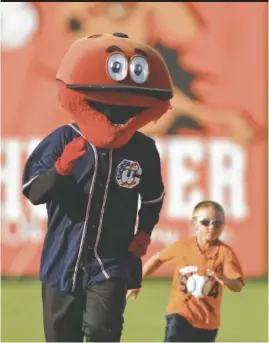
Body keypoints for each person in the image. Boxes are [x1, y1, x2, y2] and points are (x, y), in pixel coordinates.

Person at [22, 32, 173, 342]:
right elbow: (34, 191)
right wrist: (59, 169)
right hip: (63, 260)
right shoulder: (64, 138)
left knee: (103, 329)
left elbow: (153, 197)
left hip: (111, 260)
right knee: (60, 336)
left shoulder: (142, 149)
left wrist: (145, 231)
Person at [127, 200, 244, 342]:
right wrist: (138, 279)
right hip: (180, 314)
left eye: (217, 223)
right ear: (194, 223)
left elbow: (238, 285)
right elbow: (158, 258)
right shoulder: (183, 246)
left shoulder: (225, 253)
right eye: (206, 222)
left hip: (208, 322)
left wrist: (226, 280)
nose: (212, 226)